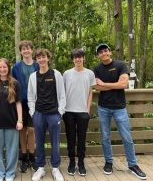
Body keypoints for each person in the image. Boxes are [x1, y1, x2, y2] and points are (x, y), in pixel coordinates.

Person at [94, 43, 147, 180]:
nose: (104, 53)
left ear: (109, 52)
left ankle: (133, 165)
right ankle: (109, 162)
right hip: (103, 107)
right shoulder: (97, 69)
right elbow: (96, 88)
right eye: (101, 52)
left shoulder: (120, 65)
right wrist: (113, 85)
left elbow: (123, 84)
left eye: (106, 51)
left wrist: (104, 84)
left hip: (120, 108)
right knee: (105, 137)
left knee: (126, 137)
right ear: (98, 55)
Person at [28, 49, 66, 181]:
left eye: (43, 57)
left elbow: (62, 95)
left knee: (55, 142)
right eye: (38, 58)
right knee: (39, 141)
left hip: (54, 114)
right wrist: (33, 113)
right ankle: (41, 168)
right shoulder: (33, 76)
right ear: (36, 60)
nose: (41, 60)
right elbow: (31, 97)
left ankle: (55, 168)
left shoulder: (56, 74)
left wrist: (60, 112)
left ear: (48, 58)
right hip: (39, 114)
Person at [63, 48, 96, 176]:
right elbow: (62, 92)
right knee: (70, 138)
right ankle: (72, 162)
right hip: (69, 111)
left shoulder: (90, 74)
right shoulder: (66, 74)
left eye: (80, 57)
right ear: (73, 59)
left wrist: (87, 110)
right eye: (75, 57)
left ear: (83, 58)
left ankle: (81, 163)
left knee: (82, 139)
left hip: (83, 112)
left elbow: (90, 93)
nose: (78, 59)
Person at [12, 40, 39, 172]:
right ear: (21, 51)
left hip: (35, 102)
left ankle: (32, 155)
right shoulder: (16, 67)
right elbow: (13, 86)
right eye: (23, 49)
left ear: (32, 50)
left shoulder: (38, 65)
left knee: (32, 130)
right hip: (21, 102)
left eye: (28, 48)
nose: (26, 51)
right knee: (22, 129)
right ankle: (23, 156)